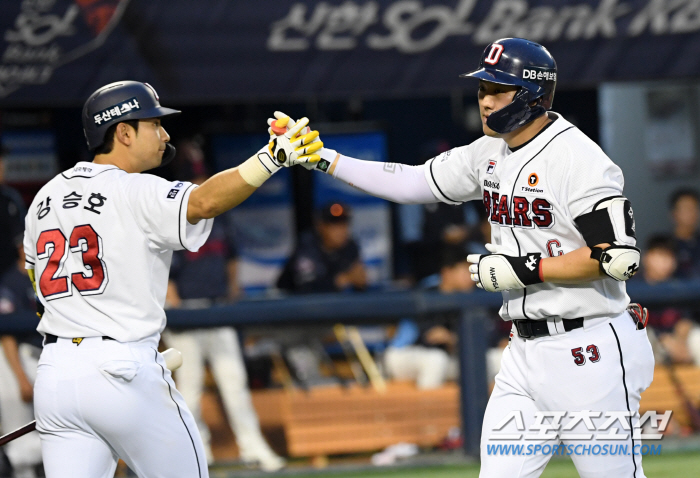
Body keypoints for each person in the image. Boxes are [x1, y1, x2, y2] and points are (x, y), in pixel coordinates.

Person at [271, 38, 653, 477]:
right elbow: (411, 183)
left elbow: (619, 257)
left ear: (532, 95)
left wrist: (524, 269)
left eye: (497, 90)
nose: (485, 101)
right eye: (482, 90)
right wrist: (324, 158)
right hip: (524, 352)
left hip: (590, 349)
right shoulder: (488, 151)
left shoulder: (578, 159)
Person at [22, 81, 320, 478]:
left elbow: (36, 283)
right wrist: (271, 158)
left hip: (56, 373)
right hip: (121, 368)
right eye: (154, 125)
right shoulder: (133, 188)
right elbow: (204, 201)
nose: (165, 135)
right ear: (123, 132)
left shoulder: (44, 197)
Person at [163, 142, 285, 472]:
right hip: (187, 311)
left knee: (234, 382)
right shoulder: (173, 220)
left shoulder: (219, 218)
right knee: (189, 387)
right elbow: (166, 275)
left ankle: (253, 448)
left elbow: (231, 258)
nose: (202, 183)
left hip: (218, 308)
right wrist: (174, 308)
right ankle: (197, 453)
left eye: (203, 177)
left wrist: (233, 290)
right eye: (195, 179)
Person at [0, 243, 43, 478]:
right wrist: (20, 377)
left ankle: (8, 460)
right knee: (21, 436)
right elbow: (7, 334)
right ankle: (8, 460)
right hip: (22, 358)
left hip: (50, 357)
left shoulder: (50, 274)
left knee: (67, 429)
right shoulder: (11, 281)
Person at [276, 202, 367, 293]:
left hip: (331, 303)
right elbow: (305, 288)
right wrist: (342, 280)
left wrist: (360, 281)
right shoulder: (308, 245)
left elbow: (359, 284)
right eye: (334, 225)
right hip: (288, 302)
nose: (340, 230)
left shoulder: (350, 247)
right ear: (320, 226)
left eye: (343, 224)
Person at [0, 146, 26, 277]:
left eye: (2, 161)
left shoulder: (8, 199)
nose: (2, 166)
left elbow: (23, 247)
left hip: (7, 279)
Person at [669, 188, 700, 279]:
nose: (692, 213)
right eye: (686, 208)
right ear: (674, 213)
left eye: (694, 208)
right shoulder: (666, 245)